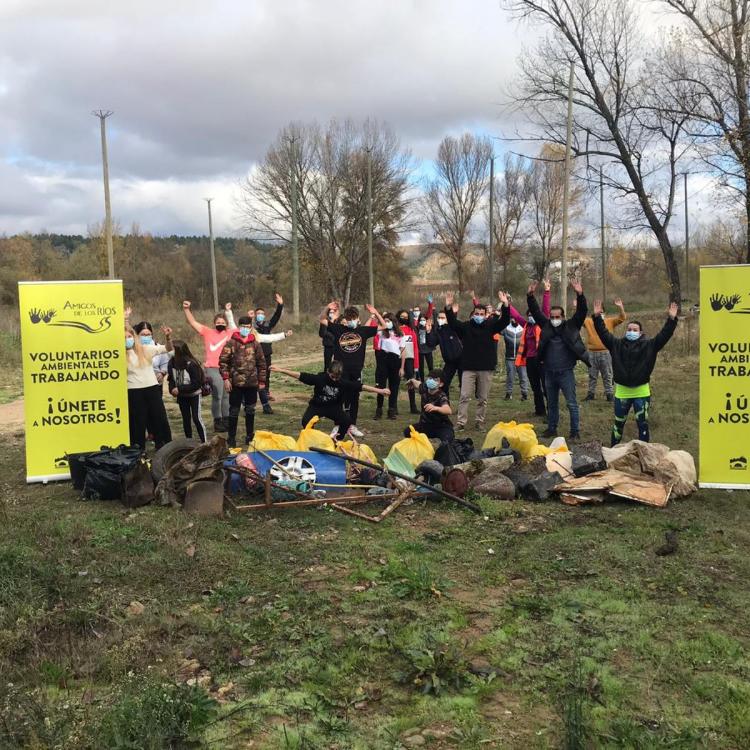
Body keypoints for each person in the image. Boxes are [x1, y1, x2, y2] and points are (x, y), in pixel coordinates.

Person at [592, 300, 678, 446]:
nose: (631, 331)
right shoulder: (616, 345)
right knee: (618, 425)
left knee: (642, 425)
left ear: (640, 332)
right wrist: (596, 317)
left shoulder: (650, 345)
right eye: (629, 329)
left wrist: (671, 319)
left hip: (641, 392)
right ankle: (613, 452)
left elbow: (665, 335)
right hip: (622, 393)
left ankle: (643, 454)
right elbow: (603, 333)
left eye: (635, 330)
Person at [527, 279, 590, 441]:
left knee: (571, 403)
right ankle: (552, 428)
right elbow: (535, 311)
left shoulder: (571, 326)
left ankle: (575, 431)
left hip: (565, 373)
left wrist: (580, 294)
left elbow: (582, 311)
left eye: (557, 316)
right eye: (552, 316)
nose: (554, 319)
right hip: (549, 372)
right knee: (552, 404)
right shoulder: (546, 325)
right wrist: (530, 295)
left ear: (563, 317)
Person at [270, 361, 390, 440]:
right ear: (328, 372)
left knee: (347, 420)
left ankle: (337, 439)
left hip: (333, 408)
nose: (334, 379)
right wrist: (281, 370)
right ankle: (311, 439)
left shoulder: (342, 382)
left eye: (337, 378)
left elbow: (361, 387)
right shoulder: (320, 378)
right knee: (306, 421)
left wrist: (380, 391)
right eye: (332, 376)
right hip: (317, 406)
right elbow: (300, 375)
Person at [445, 290, 510, 431]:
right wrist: (449, 308)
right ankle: (461, 422)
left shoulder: (491, 326)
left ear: (486, 315)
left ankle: (479, 421)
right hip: (468, 367)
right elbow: (453, 323)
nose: (479, 316)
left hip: (485, 368)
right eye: (477, 314)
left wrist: (505, 304)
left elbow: (504, 321)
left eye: (482, 314)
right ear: (473, 314)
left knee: (482, 398)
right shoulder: (466, 327)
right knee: (464, 396)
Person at [319, 301, 386, 437]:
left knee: (355, 397)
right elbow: (322, 320)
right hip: (341, 371)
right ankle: (338, 425)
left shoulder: (363, 331)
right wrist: (327, 308)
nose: (351, 321)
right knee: (339, 397)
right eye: (349, 319)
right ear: (345, 319)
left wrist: (375, 313)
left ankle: (352, 425)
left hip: (356, 370)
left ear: (357, 319)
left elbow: (384, 326)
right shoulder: (339, 329)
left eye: (353, 319)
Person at [182, 300, 236, 433]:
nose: (220, 324)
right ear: (214, 323)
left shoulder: (230, 333)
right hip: (212, 368)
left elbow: (240, 327)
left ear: (226, 324)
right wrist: (186, 309)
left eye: (222, 323)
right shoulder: (208, 332)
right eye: (218, 323)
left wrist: (228, 312)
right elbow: (193, 323)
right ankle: (217, 421)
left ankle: (226, 420)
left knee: (226, 395)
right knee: (217, 394)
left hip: (226, 368)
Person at [219, 316, 267, 448]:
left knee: (250, 410)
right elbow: (223, 362)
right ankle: (231, 437)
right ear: (239, 327)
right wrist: (226, 379)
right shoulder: (231, 343)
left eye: (247, 326)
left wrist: (262, 381)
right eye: (243, 326)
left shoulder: (256, 344)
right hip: (236, 384)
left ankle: (249, 436)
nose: (245, 329)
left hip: (252, 383)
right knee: (234, 410)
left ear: (251, 327)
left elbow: (262, 364)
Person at [125, 324, 173, 451]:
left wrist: (168, 337)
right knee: (137, 423)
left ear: (134, 337)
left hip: (151, 389)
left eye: (129, 336)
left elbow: (167, 349)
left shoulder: (146, 349)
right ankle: (138, 452)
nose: (127, 339)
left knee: (159, 418)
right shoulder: (118, 355)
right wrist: (124, 320)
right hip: (133, 391)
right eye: (124, 337)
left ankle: (164, 447)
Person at [509, 280, 551, 417]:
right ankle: (540, 410)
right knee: (535, 387)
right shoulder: (526, 325)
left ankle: (551, 411)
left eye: (533, 315)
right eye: (530, 315)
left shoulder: (543, 324)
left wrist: (546, 292)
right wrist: (507, 304)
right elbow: (515, 315)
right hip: (530, 360)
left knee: (546, 386)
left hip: (543, 360)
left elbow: (545, 309)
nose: (532, 317)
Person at [582, 297, 626, 401]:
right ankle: (591, 394)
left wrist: (621, 307)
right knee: (592, 375)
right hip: (591, 353)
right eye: (597, 310)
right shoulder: (588, 321)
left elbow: (622, 318)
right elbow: (578, 319)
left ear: (604, 312)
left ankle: (609, 394)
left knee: (607, 374)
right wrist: (577, 308)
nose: (599, 312)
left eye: (601, 310)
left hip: (606, 353)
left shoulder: (609, 321)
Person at [167, 340, 207, 442]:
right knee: (186, 419)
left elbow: (196, 384)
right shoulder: (171, 363)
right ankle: (188, 442)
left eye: (172, 349)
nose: (169, 351)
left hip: (194, 395)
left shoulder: (191, 364)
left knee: (196, 418)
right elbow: (171, 378)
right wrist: (172, 389)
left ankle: (204, 442)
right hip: (182, 396)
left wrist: (179, 389)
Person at [251, 293, 284, 413]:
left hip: (266, 354)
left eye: (262, 314)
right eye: (258, 314)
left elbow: (276, 316)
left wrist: (280, 305)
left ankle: (266, 392)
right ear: (255, 315)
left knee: (266, 374)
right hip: (253, 354)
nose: (260, 315)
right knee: (253, 374)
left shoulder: (267, 325)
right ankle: (252, 394)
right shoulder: (251, 327)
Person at [405, 369, 454, 443]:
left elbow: (448, 410)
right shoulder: (425, 388)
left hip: (441, 426)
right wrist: (411, 380)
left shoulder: (441, 396)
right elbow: (418, 383)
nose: (431, 381)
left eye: (435, 380)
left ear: (441, 384)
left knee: (447, 440)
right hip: (425, 425)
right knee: (407, 432)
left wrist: (435, 408)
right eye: (430, 378)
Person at [373, 312, 407, 420]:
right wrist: (376, 315)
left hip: (395, 361)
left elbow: (402, 351)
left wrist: (402, 367)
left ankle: (391, 410)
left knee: (394, 386)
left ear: (393, 322)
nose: (386, 323)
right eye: (385, 321)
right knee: (381, 386)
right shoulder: (382, 332)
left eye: (388, 321)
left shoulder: (401, 334)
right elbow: (375, 327)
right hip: (383, 359)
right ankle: (379, 409)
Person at [425, 308, 463, 399]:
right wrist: (428, 332)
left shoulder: (454, 328)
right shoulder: (439, 330)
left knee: (463, 385)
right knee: (444, 383)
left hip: (461, 360)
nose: (440, 319)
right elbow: (431, 343)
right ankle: (445, 403)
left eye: (443, 317)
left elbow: (455, 323)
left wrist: (454, 313)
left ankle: (462, 408)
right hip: (449, 362)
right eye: (439, 317)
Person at [396, 309, 420, 415]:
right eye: (402, 316)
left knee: (411, 383)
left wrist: (416, 365)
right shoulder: (395, 330)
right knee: (395, 383)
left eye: (406, 317)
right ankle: (393, 407)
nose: (404, 318)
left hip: (409, 359)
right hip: (397, 359)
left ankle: (413, 407)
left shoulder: (412, 330)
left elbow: (415, 348)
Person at [502, 318, 529, 401]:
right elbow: (497, 329)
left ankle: (524, 394)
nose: (514, 320)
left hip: (521, 357)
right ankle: (508, 393)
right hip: (509, 357)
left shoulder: (523, 328)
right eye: (512, 318)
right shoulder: (506, 328)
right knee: (510, 376)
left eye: (515, 318)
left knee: (523, 376)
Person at [320, 302, 339, 370]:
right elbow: (322, 333)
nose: (332, 314)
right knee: (327, 365)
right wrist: (333, 336)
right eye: (330, 312)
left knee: (338, 364)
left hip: (338, 346)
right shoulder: (325, 320)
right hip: (328, 345)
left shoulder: (340, 320)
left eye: (333, 312)